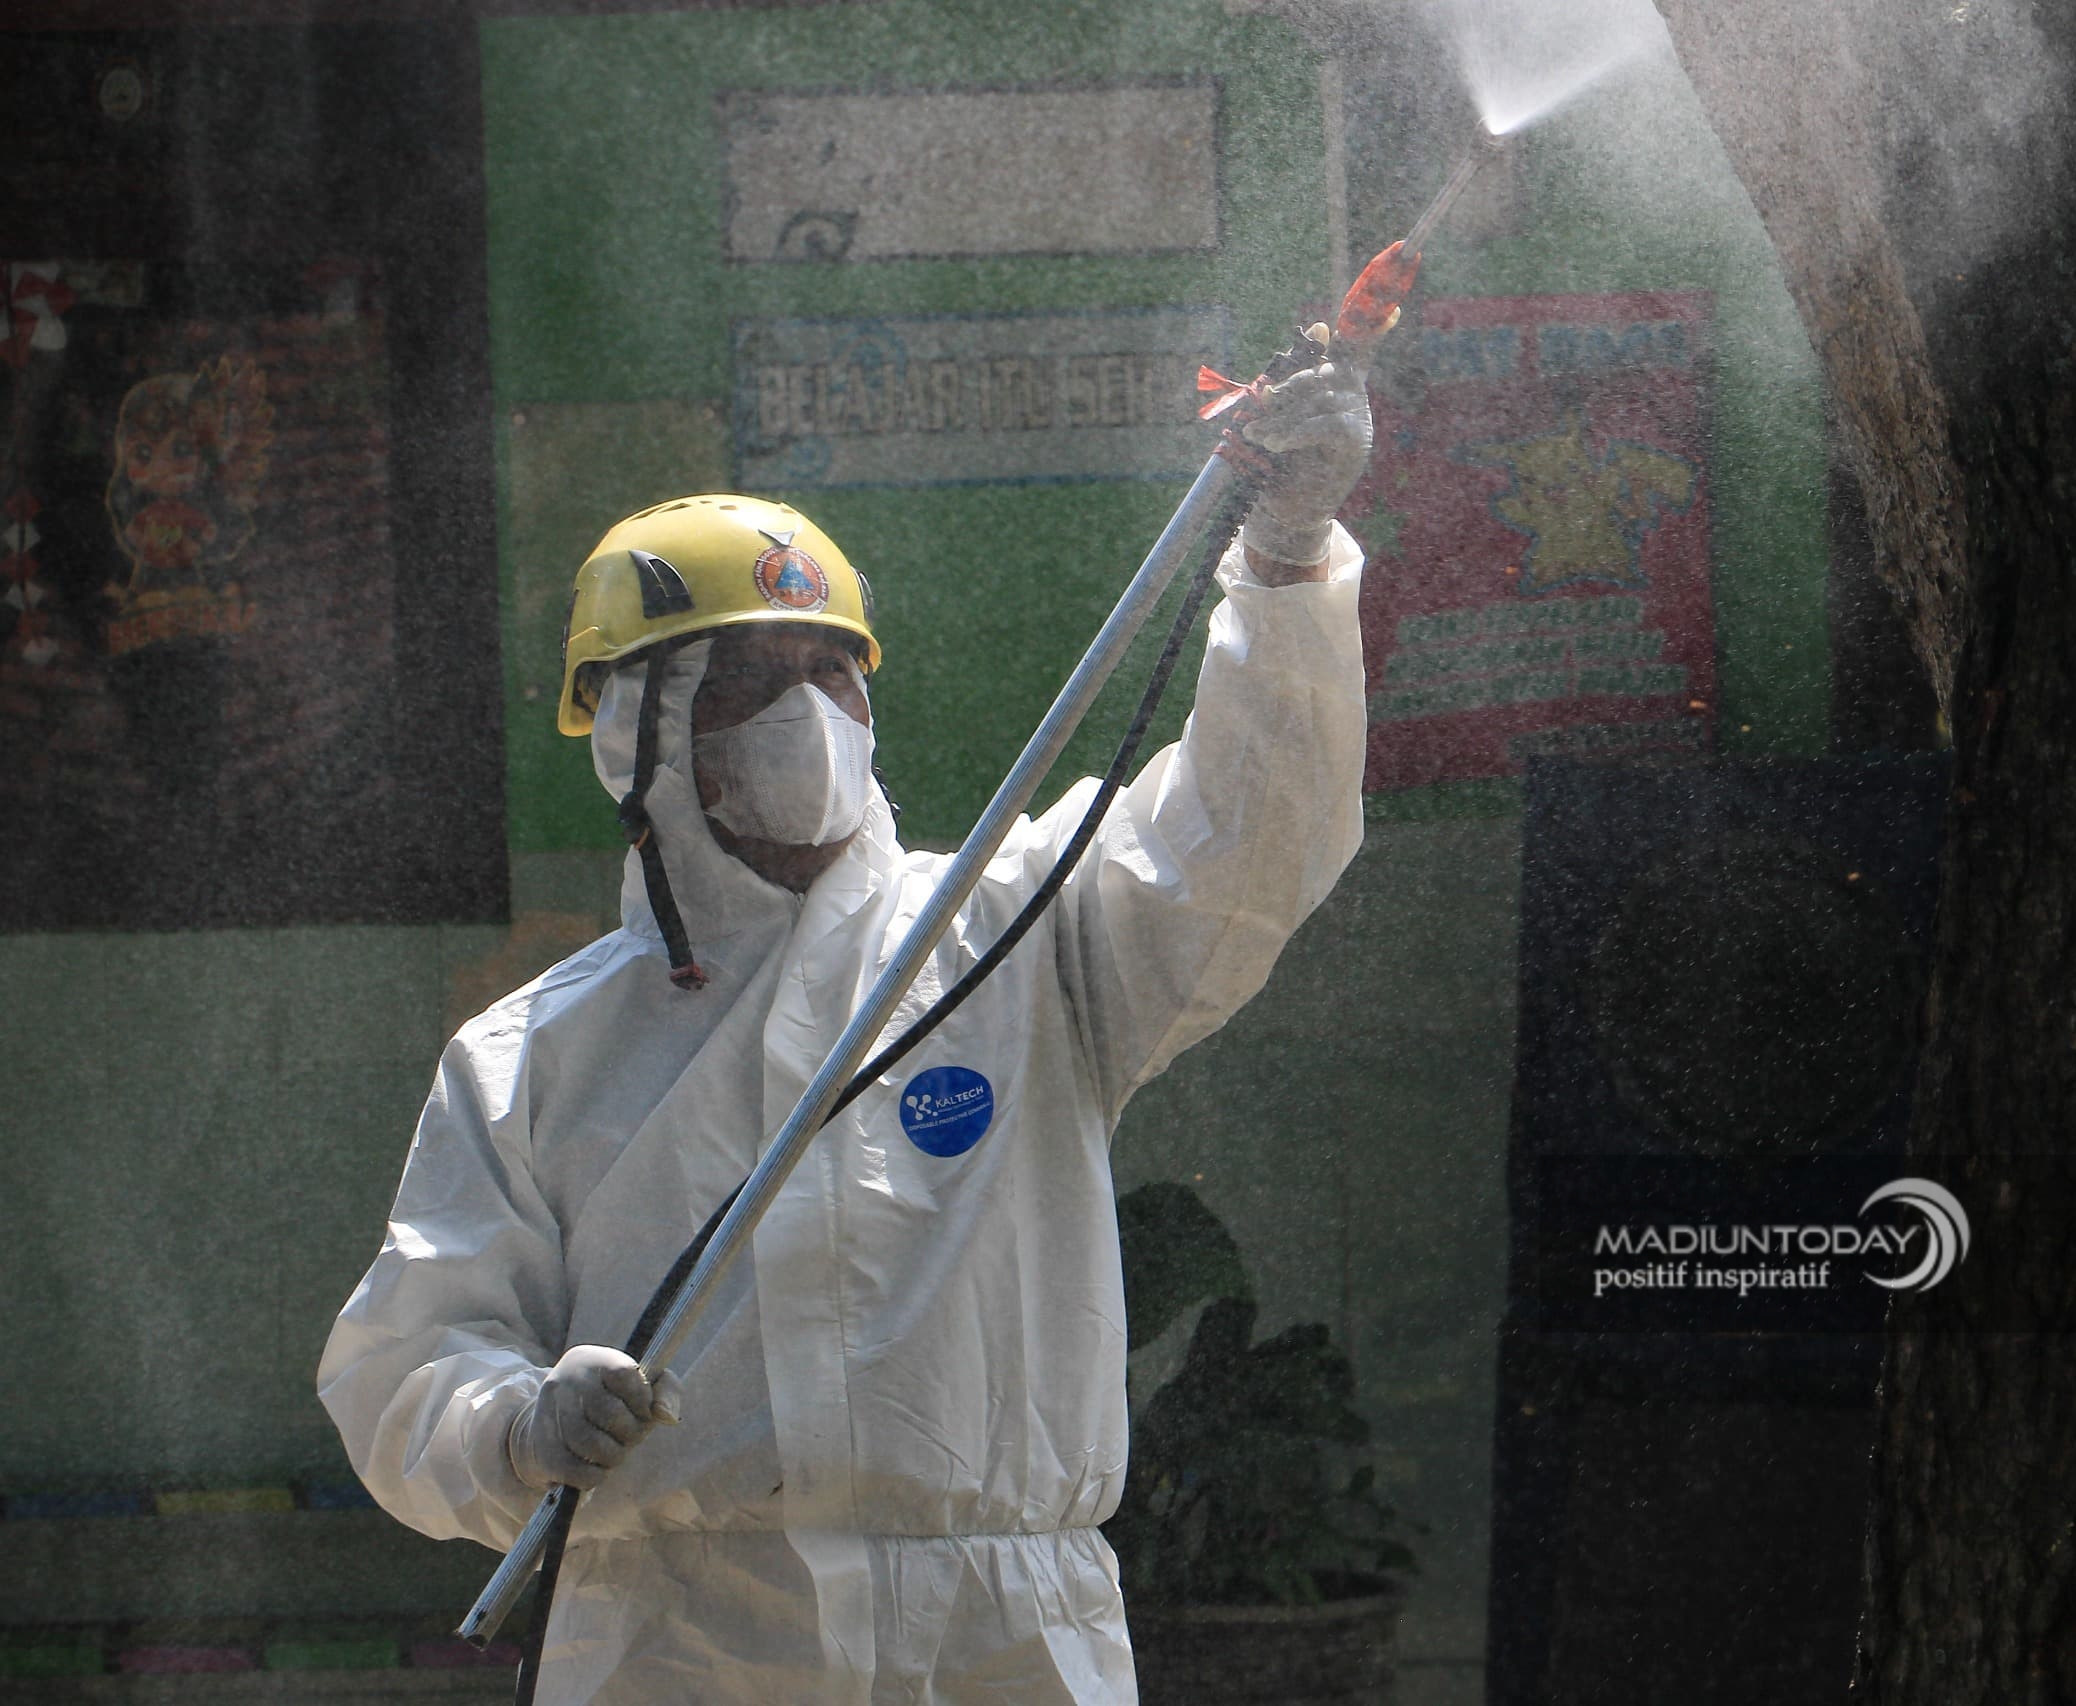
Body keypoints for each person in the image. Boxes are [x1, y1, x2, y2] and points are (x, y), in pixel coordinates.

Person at [318, 358, 1373, 1703]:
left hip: (1004, 1644)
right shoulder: (530, 1056)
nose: (810, 712)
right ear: (643, 733)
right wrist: (517, 1425)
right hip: (681, 1650)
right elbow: (406, 1365)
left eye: (835, 672)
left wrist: (1284, 559)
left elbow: (1253, 832)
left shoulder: (1019, 929)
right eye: (753, 678)